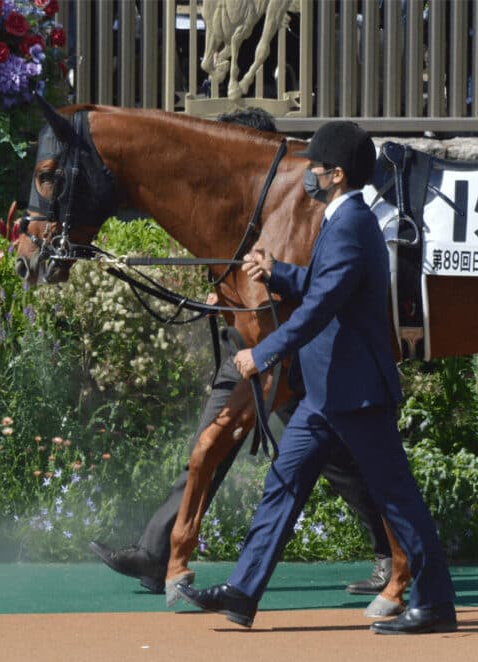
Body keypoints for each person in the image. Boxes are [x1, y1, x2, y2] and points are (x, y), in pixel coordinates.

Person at [89, 109, 393, 600]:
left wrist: (267, 345)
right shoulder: (238, 204)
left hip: (288, 359)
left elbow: (318, 299)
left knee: (330, 461)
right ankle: (172, 555)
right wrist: (226, 292)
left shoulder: (323, 215)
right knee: (216, 444)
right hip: (263, 351)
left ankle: (400, 556)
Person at [176, 120, 457, 635]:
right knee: (282, 485)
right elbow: (322, 282)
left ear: (337, 174)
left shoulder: (349, 223)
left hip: (357, 392)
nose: (310, 174)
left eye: (317, 167)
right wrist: (276, 272)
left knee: (396, 497)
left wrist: (265, 354)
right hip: (327, 393)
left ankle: (436, 603)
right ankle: (243, 591)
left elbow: (324, 304)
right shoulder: (343, 217)